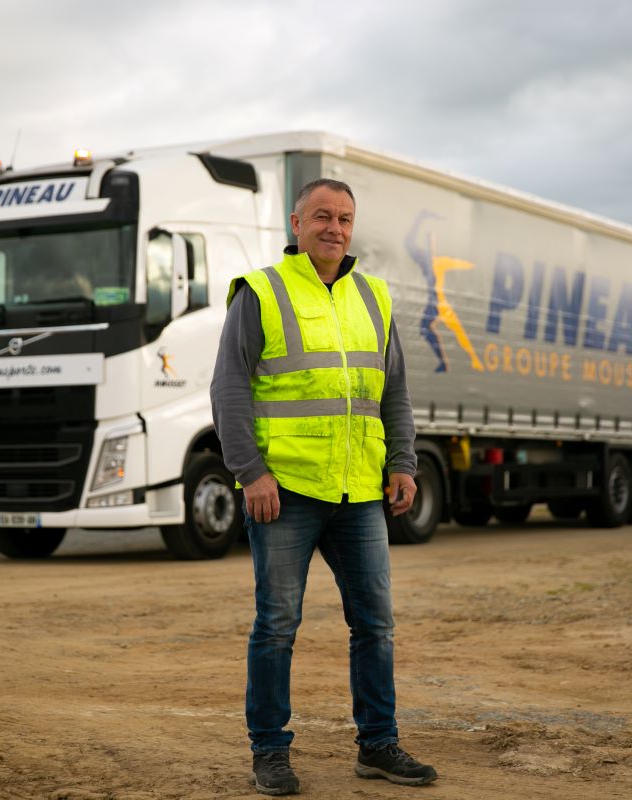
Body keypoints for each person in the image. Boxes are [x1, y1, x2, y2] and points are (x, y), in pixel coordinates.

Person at [211, 179, 438, 795]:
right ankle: (270, 752)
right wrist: (250, 472)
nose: (334, 228)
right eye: (321, 217)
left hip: (359, 492)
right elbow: (229, 389)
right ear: (296, 223)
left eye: (343, 218)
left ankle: (378, 744)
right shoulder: (261, 292)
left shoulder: (374, 296)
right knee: (278, 625)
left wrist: (402, 462)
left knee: (376, 624)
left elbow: (392, 391)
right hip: (284, 492)